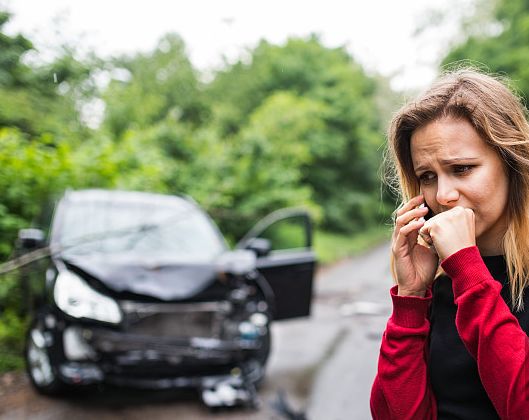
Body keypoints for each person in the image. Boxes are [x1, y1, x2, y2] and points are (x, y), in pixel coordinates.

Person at [370, 68, 529, 419]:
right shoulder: (442, 283)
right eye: (427, 176)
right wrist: (410, 299)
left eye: (461, 169)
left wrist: (468, 271)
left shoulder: (464, 275)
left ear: (511, 163)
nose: (443, 196)